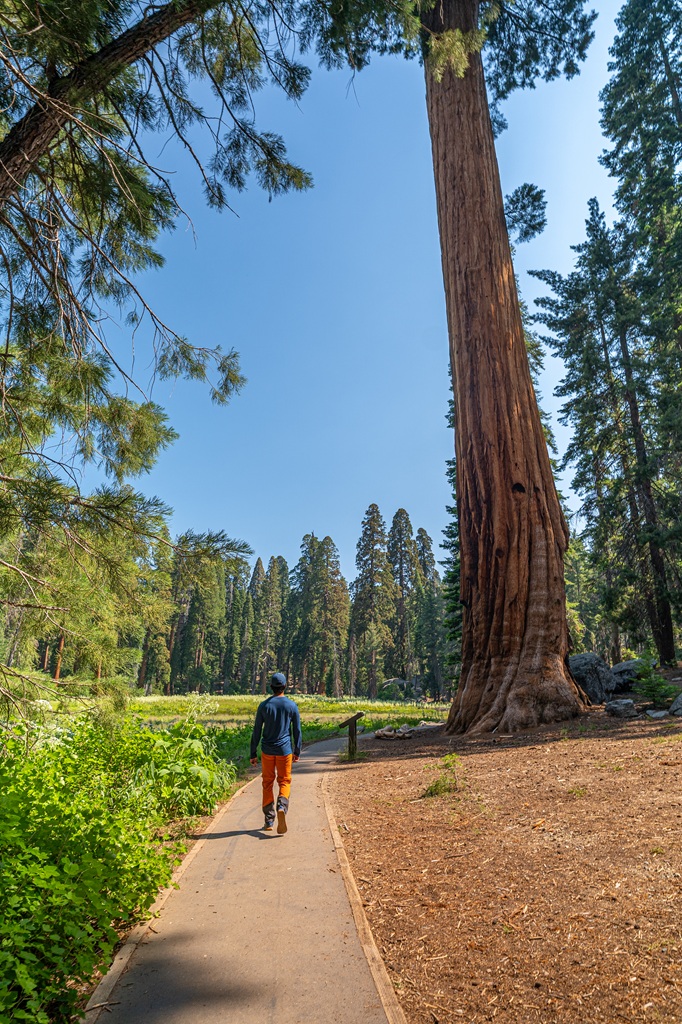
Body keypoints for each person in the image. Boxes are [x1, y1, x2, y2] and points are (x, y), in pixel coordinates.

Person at [250, 672, 302, 834]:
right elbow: (297, 731)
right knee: (284, 781)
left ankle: (269, 819)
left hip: (267, 751)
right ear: (285, 686)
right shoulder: (291, 706)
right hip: (284, 751)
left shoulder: (264, 706)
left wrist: (253, 752)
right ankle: (282, 806)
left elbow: (257, 731)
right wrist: (297, 750)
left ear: (271, 687)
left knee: (267, 783)